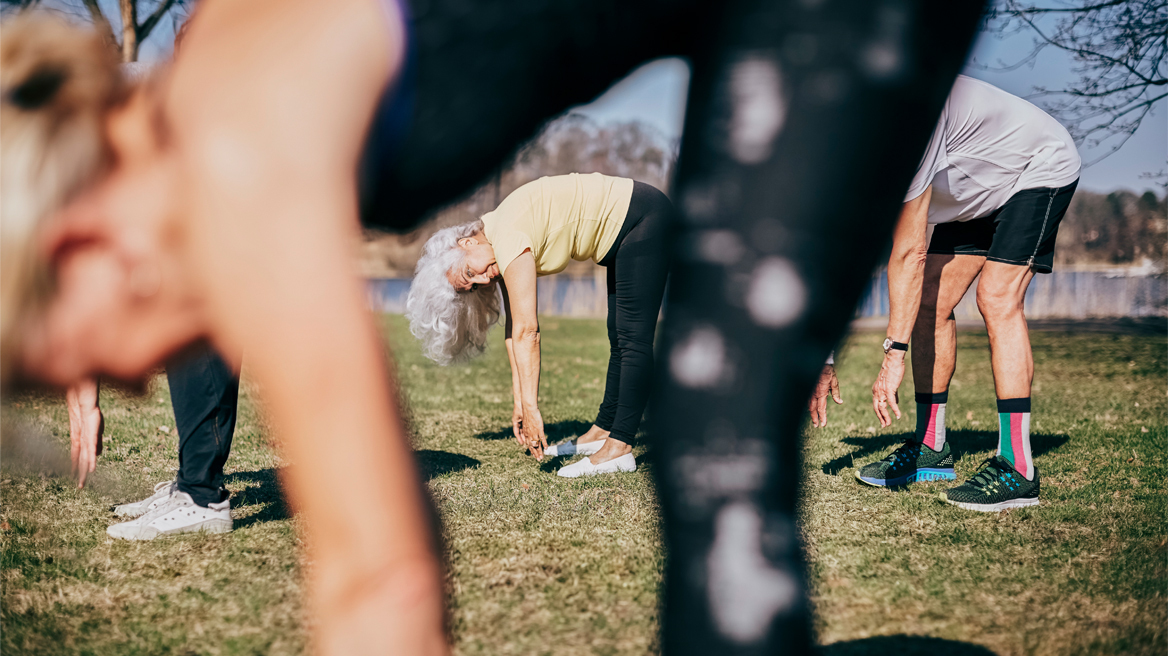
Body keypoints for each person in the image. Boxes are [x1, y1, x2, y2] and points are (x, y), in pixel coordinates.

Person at [2, 0, 986, 652]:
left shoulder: (239, 148)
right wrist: (72, 350)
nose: (124, 381)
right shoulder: (191, 101)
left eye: (82, 363)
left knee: (718, 441)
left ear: (83, 244)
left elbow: (379, 576)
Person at [863, 75, 1080, 511]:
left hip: (1037, 165)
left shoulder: (909, 115)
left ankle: (1018, 467)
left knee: (996, 297)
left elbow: (909, 252)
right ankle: (931, 446)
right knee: (931, 303)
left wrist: (893, 354)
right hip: (980, 187)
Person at [407, 173, 674, 477]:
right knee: (620, 335)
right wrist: (520, 401)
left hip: (643, 216)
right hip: (629, 225)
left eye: (470, 272)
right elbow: (514, 330)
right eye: (473, 286)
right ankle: (603, 431)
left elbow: (528, 332)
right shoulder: (496, 237)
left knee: (632, 338)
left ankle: (620, 448)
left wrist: (533, 408)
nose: (483, 280)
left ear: (466, 242)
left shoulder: (507, 236)